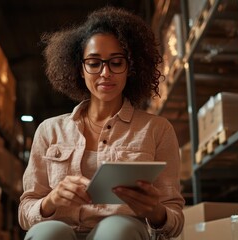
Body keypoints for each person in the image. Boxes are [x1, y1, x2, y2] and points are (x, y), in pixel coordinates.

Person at [19, 6, 185, 240]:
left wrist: (155, 211)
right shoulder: (49, 130)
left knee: (117, 230)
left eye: (116, 63)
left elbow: (175, 220)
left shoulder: (157, 130)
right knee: (47, 232)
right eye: (94, 63)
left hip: (122, 234)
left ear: (131, 68)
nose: (105, 73)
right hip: (61, 231)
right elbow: (26, 212)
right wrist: (50, 201)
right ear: (80, 69)